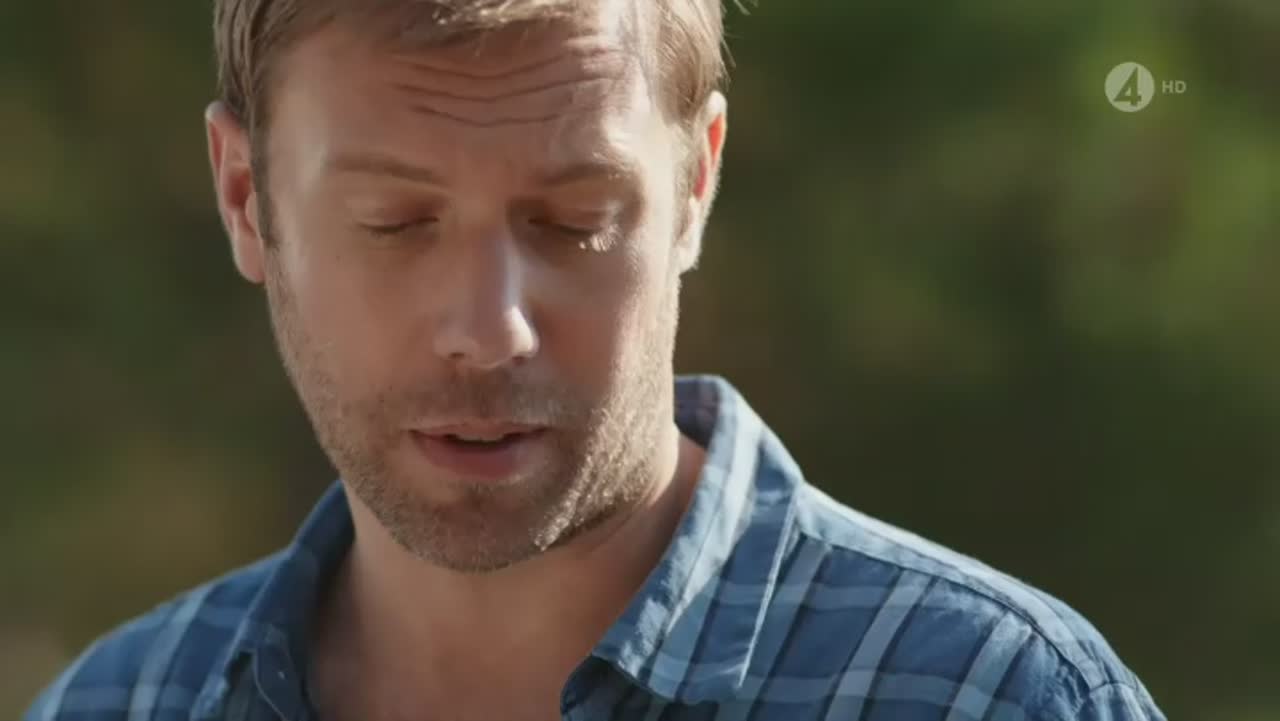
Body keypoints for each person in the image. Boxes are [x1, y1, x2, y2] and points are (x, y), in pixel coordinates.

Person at [24, 1, 1166, 719]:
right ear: (245, 198)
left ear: (696, 184)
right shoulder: (120, 704)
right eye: (394, 223)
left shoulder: (990, 697)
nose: (489, 329)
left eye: (573, 223)